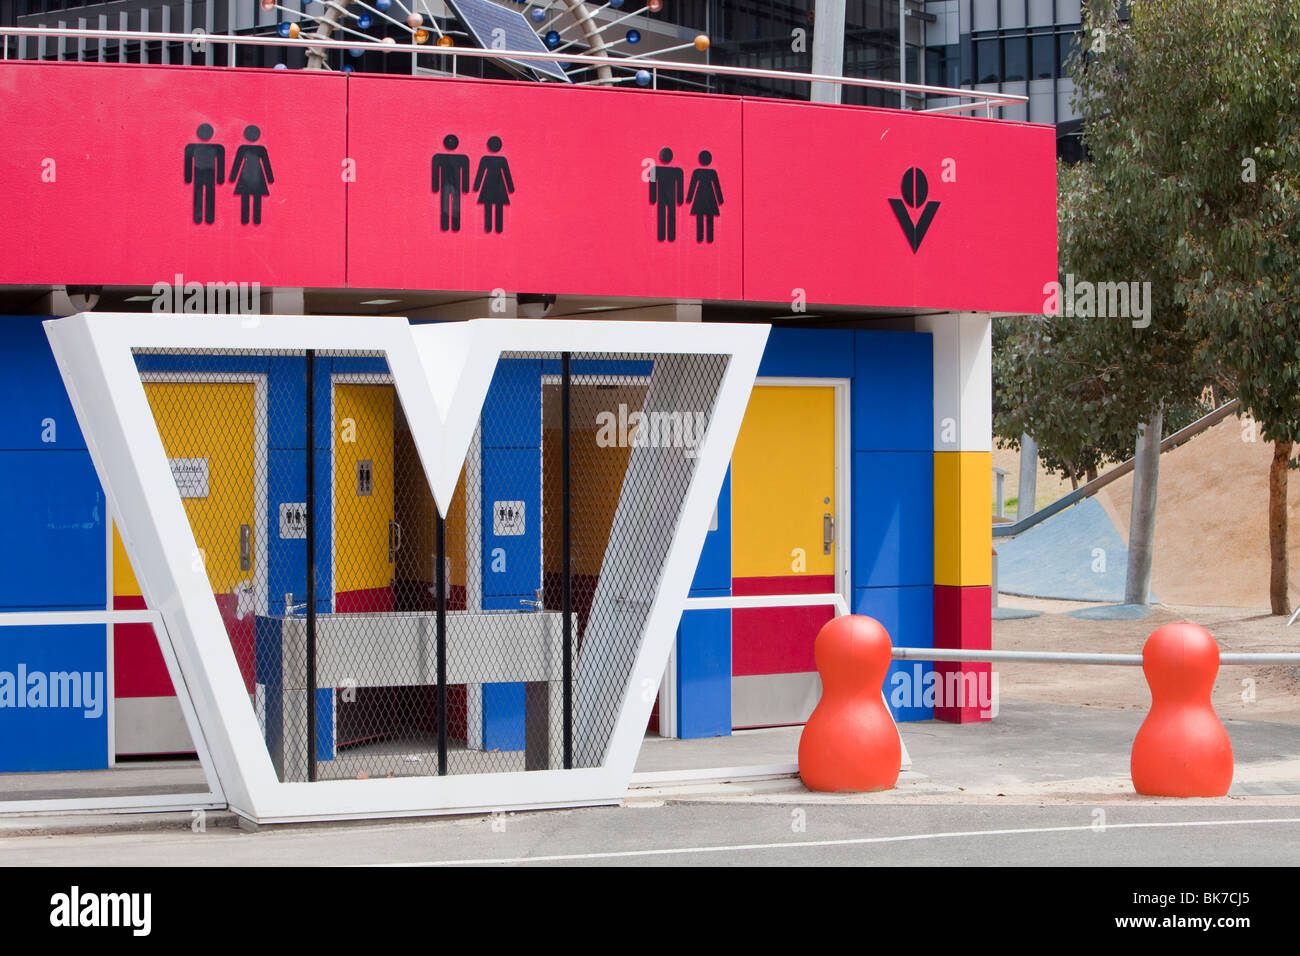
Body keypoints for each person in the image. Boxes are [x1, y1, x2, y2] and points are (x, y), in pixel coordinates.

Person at [230, 125, 274, 226]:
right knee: (252, 197)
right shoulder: (257, 149)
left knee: (250, 197)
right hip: (255, 176)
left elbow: (237, 163)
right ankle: (252, 219)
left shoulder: (245, 148)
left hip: (249, 176)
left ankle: (251, 219)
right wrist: (270, 178)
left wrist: (233, 177)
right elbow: (265, 163)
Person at [184, 124, 225, 225]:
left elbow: (221, 163)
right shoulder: (192, 147)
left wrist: (220, 178)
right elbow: (188, 162)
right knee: (202, 194)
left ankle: (208, 217)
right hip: (203, 175)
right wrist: (220, 178)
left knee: (206, 194)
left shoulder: (217, 148)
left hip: (205, 175)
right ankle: (202, 217)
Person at [472, 136, 514, 234]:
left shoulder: (489, 159)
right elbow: (481, 173)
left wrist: (476, 187)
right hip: (496, 186)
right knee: (492, 206)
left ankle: (494, 227)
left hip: (492, 185)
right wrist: (510, 188)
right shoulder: (494, 159)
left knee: (492, 206)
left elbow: (506, 173)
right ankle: (491, 227)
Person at [431, 133, 471, 232]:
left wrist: (465, 187)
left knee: (455, 206)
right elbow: (435, 171)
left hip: (455, 186)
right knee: (445, 204)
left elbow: (465, 172)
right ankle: (446, 225)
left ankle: (454, 225)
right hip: (446, 186)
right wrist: (435, 186)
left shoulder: (463, 159)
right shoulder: (439, 157)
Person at [686, 150, 723, 243]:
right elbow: (716, 186)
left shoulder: (697, 172)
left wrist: (689, 199)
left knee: (700, 217)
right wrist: (720, 199)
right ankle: (709, 238)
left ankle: (700, 237)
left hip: (699, 197)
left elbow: (693, 186)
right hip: (710, 197)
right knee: (709, 217)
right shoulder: (712, 172)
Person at [649, 146, 684, 242]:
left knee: (662, 215)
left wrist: (653, 198)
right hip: (671, 197)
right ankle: (671, 236)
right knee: (671, 215)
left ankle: (662, 235)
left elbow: (652, 185)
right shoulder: (677, 171)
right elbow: (680, 185)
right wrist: (680, 199)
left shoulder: (655, 170)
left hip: (662, 197)